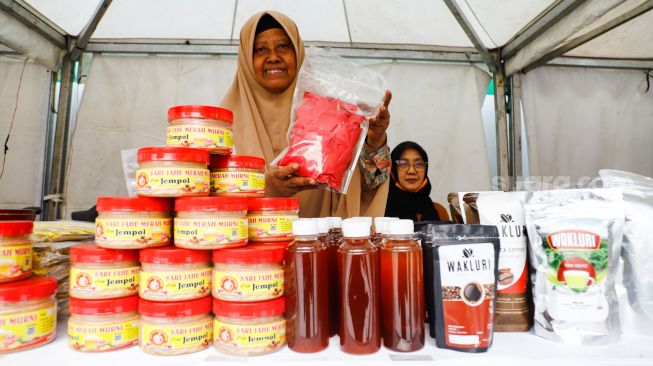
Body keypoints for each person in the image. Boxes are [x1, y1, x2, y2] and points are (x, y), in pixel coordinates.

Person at [221, 11, 392, 217]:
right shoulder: (220, 128)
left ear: (298, 52)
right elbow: (202, 207)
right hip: (251, 248)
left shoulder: (333, 115)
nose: (273, 57)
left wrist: (374, 141)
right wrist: (266, 189)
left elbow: (364, 188)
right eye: (260, 49)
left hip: (321, 246)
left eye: (283, 46)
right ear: (246, 61)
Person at [385, 141, 439, 222]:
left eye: (418, 164)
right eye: (403, 163)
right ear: (393, 169)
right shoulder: (381, 208)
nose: (411, 171)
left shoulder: (434, 208)